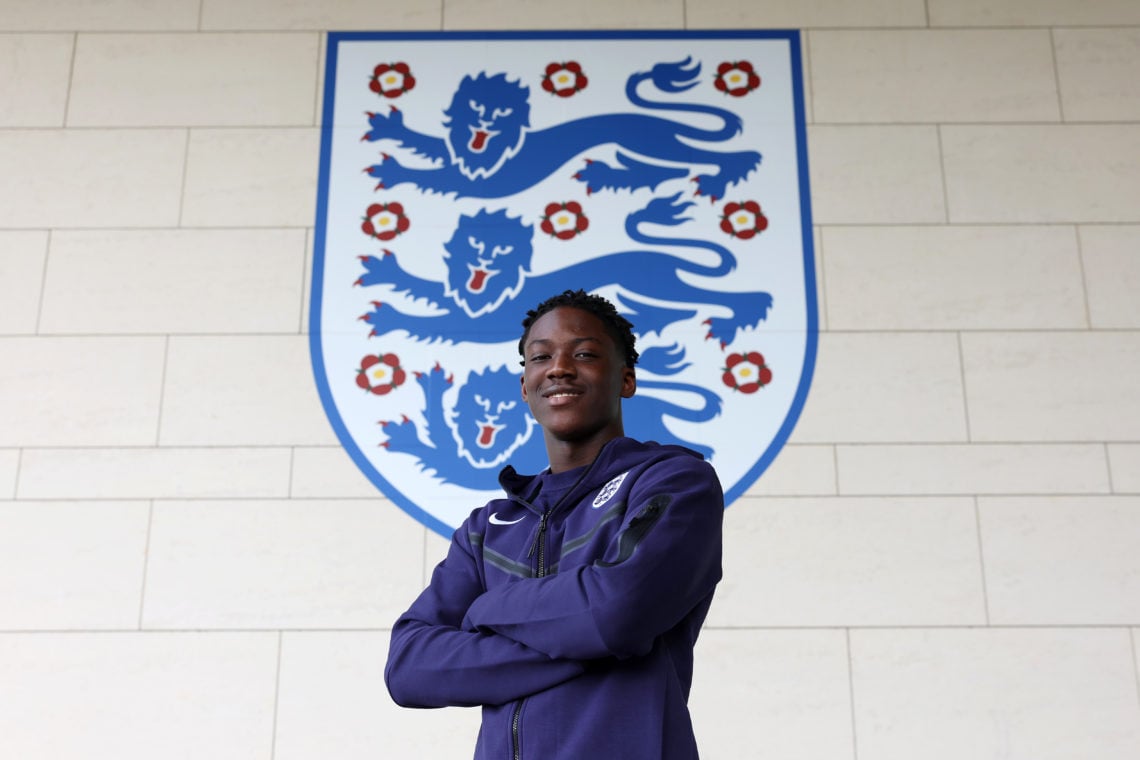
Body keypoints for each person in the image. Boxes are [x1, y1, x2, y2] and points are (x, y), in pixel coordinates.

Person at [385, 289, 724, 759]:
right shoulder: (488, 528)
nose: (559, 367)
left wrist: (484, 610)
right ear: (525, 386)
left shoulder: (673, 481)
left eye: (584, 353)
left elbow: (617, 612)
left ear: (626, 379)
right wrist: (584, 639)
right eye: (540, 356)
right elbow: (409, 667)